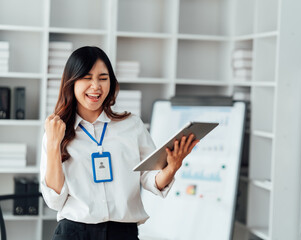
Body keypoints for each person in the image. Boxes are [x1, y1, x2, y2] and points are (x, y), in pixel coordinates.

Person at [40, 46, 199, 240]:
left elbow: (150, 179)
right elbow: (54, 200)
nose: (96, 86)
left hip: (123, 233)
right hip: (74, 233)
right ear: (71, 82)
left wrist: (172, 167)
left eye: (103, 78)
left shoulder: (131, 125)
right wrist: (53, 145)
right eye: (87, 78)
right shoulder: (57, 130)